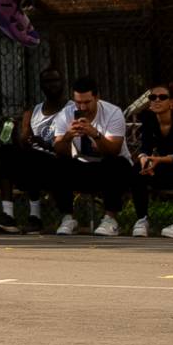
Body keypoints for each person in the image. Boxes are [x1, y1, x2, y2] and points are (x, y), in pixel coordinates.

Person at [0, 68, 69, 234]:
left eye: (55, 81)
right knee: (6, 151)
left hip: (61, 162)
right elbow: (24, 144)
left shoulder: (72, 108)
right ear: (41, 86)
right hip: (34, 161)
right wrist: (18, 128)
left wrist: (46, 145)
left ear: (63, 83)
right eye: (47, 82)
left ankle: (35, 216)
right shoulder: (35, 111)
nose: (52, 85)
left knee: (33, 157)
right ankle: (8, 214)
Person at [47, 76, 131, 235]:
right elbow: (58, 148)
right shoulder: (66, 114)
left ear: (97, 97)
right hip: (84, 166)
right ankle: (67, 218)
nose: (82, 106)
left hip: (111, 168)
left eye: (87, 102)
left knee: (115, 163)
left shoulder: (113, 112)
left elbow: (114, 150)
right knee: (57, 164)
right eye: (78, 102)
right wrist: (67, 136)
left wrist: (96, 134)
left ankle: (110, 219)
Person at [127, 83, 173, 239]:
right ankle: (142, 219)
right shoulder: (149, 120)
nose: (157, 100)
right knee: (136, 170)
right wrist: (144, 159)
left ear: (171, 102)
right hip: (162, 165)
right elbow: (146, 146)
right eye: (153, 97)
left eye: (162, 97)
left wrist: (161, 159)